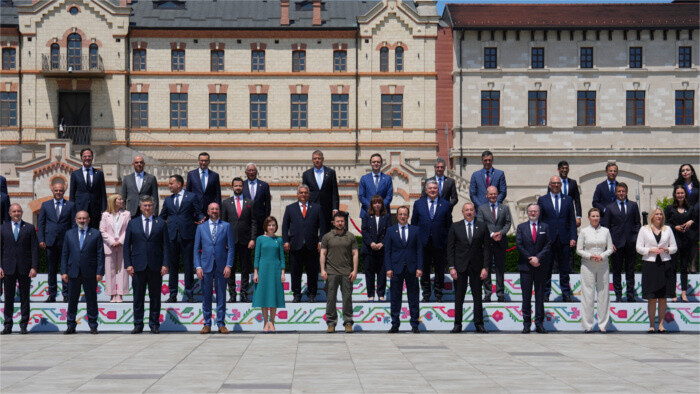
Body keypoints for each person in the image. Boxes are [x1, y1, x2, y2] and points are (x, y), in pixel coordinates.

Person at [124, 196, 170, 334]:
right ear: (140, 207)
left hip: (155, 265)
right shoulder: (133, 223)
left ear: (153, 206)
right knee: (138, 297)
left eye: (150, 205)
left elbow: (166, 246)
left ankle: (154, 324)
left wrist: (165, 264)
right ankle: (138, 324)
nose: (147, 208)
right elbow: (127, 246)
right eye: (145, 205)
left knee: (155, 297)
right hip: (138, 266)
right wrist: (128, 264)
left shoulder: (161, 223)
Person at [159, 174, 203, 303]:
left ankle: (189, 294)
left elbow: (198, 212)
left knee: (188, 265)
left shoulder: (192, 197)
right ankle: (173, 294)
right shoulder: (168, 200)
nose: (169, 186)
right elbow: (163, 216)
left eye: (171, 183)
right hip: (172, 236)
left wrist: (202, 219)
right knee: (173, 266)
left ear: (179, 184)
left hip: (188, 236)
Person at [447, 202, 490, 333]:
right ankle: (457, 324)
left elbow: (487, 249)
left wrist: (485, 267)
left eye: (471, 210)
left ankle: (479, 324)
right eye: (467, 210)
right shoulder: (455, 227)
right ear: (463, 212)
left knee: (477, 297)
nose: (469, 212)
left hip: (477, 268)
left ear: (474, 211)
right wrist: (451, 267)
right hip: (460, 267)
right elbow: (450, 248)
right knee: (459, 297)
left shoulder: (482, 227)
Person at [61, 211, 104, 335]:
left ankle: (93, 325)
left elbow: (100, 254)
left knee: (91, 300)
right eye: (79, 218)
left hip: (90, 272)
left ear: (89, 219)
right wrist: (64, 271)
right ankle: (70, 325)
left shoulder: (96, 234)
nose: (82, 220)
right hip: (73, 272)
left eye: (84, 218)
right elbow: (65, 254)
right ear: (75, 219)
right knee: (72, 300)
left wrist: (99, 271)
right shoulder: (69, 234)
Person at [194, 203, 234, 334]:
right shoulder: (201, 227)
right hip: (205, 266)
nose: (215, 211)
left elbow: (231, 249)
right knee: (206, 296)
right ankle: (206, 323)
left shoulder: (226, 226)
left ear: (219, 211)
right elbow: (196, 249)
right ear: (208, 211)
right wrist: (198, 266)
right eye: (212, 209)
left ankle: (221, 323)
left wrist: (229, 265)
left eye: (216, 209)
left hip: (222, 266)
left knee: (221, 295)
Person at [636, 207, 678, 333]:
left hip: (665, 264)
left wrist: (667, 250)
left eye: (660, 214)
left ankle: (661, 325)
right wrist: (651, 250)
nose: (659, 216)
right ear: (652, 216)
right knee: (652, 297)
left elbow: (674, 247)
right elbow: (638, 247)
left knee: (663, 297)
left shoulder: (668, 229)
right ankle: (651, 325)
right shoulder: (644, 229)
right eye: (656, 214)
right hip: (650, 264)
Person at [538, 176, 577, 302]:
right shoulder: (543, 200)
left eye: (558, 183)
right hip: (548, 240)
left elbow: (571, 219)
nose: (556, 185)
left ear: (561, 185)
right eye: (553, 183)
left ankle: (566, 293)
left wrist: (573, 237)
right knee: (546, 269)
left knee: (564, 269)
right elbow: (539, 221)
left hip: (564, 239)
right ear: (549, 185)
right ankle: (545, 294)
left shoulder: (568, 199)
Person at [412, 180, 452, 302]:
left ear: (438, 190)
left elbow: (449, 225)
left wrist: (448, 241)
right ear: (426, 190)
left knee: (440, 269)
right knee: (424, 269)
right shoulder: (418, 204)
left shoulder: (445, 204)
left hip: (440, 242)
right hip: (423, 242)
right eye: (430, 188)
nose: (433, 190)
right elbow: (414, 223)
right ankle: (426, 294)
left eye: (435, 188)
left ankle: (439, 294)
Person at [1, 204, 38, 335]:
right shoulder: (2, 228)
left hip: (25, 268)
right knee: (8, 298)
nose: (16, 213)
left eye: (19, 211)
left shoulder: (29, 228)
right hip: (8, 268)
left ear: (22, 213)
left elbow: (34, 249)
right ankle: (8, 325)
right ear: (10, 213)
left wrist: (34, 267)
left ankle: (23, 325)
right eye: (14, 211)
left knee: (24, 298)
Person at [385, 206, 423, 333]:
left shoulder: (415, 230)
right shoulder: (391, 231)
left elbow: (419, 250)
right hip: (396, 269)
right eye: (400, 214)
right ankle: (395, 324)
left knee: (413, 297)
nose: (402, 216)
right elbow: (387, 251)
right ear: (397, 216)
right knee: (395, 297)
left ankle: (414, 324)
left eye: (405, 214)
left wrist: (419, 267)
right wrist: (388, 268)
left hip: (412, 268)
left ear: (408, 216)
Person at [602, 182, 641, 303]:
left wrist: (635, 239)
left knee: (630, 271)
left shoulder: (633, 205)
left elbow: (637, 224)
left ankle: (630, 294)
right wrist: (609, 243)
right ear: (615, 192)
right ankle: (618, 295)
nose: (621, 193)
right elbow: (606, 227)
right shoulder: (610, 207)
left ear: (626, 192)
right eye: (619, 191)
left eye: (623, 191)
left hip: (630, 243)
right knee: (617, 271)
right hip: (616, 244)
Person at [38, 179, 76, 302]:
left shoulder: (70, 205)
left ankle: (66, 294)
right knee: (51, 270)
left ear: (64, 191)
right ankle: (52, 294)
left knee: (65, 269)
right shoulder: (45, 205)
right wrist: (41, 239)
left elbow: (73, 224)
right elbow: (41, 223)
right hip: (50, 242)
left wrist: (73, 240)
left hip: (66, 242)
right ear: (52, 191)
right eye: (56, 190)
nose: (58, 192)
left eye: (60, 190)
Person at [516, 204, 551, 334]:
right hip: (526, 267)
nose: (533, 213)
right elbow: (519, 245)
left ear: (539, 212)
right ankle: (526, 324)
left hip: (541, 267)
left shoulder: (545, 227)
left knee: (540, 297)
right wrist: (530, 258)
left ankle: (539, 324)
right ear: (527, 212)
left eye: (535, 211)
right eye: (530, 211)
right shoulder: (521, 227)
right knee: (526, 297)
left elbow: (548, 244)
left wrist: (538, 258)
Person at [576, 208, 613, 333]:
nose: (595, 218)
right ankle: (588, 325)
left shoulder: (606, 231)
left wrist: (602, 256)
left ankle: (603, 325)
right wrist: (589, 256)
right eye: (593, 216)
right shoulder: (584, 231)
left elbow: (610, 248)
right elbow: (579, 249)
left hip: (602, 264)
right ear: (589, 217)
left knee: (603, 294)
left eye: (597, 216)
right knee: (588, 294)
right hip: (588, 265)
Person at [282, 184, 321, 302]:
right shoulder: (290, 208)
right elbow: (285, 227)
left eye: (305, 193)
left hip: (312, 245)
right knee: (295, 272)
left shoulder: (317, 208)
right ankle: (297, 294)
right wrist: (285, 241)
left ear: (309, 194)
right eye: (301, 193)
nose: (303, 195)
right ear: (297, 194)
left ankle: (312, 294)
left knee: (312, 272)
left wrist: (321, 241)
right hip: (295, 245)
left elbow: (322, 226)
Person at [320, 212, 359, 333]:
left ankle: (348, 322)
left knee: (347, 298)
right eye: (338, 221)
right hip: (331, 272)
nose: (340, 223)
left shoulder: (351, 237)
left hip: (346, 273)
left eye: (342, 221)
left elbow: (355, 254)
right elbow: (323, 253)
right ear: (333, 222)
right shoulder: (327, 237)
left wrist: (355, 270)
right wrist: (322, 269)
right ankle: (331, 323)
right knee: (330, 298)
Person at [221, 177, 258, 303]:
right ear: (232, 187)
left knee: (245, 269)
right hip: (230, 242)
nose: (238, 188)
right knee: (229, 268)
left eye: (240, 186)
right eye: (235, 185)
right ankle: (232, 294)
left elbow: (254, 222)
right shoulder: (226, 203)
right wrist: (224, 240)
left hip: (245, 241)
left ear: (243, 187)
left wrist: (253, 239)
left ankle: (244, 294)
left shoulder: (250, 202)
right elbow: (223, 223)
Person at [477, 186, 512, 302]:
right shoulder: (481, 209)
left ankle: (500, 294)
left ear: (498, 195)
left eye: (495, 194)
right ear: (486, 195)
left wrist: (500, 233)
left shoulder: (505, 208)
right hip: (486, 243)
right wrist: (492, 234)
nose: (493, 196)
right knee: (486, 268)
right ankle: (487, 294)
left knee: (499, 269)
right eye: (490, 194)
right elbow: (481, 224)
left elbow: (508, 223)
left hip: (500, 242)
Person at [252, 217, 286, 333]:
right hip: (263, 270)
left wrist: (282, 273)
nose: (272, 227)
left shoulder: (279, 240)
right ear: (266, 226)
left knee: (273, 296)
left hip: (275, 270)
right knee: (264, 296)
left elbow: (282, 257)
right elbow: (257, 256)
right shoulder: (260, 239)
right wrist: (256, 272)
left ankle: (273, 322)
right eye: (269, 225)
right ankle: (265, 322)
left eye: (273, 225)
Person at [665, 185, 696, 302]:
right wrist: (675, 227)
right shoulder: (669, 208)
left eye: (682, 193)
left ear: (685, 194)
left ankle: (683, 293)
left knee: (684, 268)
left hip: (686, 242)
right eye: (678, 193)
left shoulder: (691, 209)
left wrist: (691, 221)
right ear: (675, 194)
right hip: (673, 242)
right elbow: (665, 223)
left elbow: (696, 223)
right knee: (672, 268)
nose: (680, 195)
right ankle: (672, 293)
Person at [99, 194, 131, 303]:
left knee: (123, 270)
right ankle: (112, 294)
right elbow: (102, 230)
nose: (122, 201)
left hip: (122, 244)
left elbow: (128, 229)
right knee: (110, 270)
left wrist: (120, 241)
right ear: (113, 201)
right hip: (109, 245)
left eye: (122, 199)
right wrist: (112, 241)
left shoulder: (126, 214)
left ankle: (121, 294)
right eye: (120, 199)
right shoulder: (105, 215)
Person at [302, 150, 339, 236]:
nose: (317, 160)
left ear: (323, 159)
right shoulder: (306, 174)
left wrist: (335, 208)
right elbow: (304, 193)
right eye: (315, 158)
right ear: (312, 160)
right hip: (312, 207)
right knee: (311, 231)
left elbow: (334, 192)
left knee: (326, 232)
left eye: (319, 158)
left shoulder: (330, 173)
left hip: (326, 207)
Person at [361, 195, 391, 302]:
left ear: (382, 204)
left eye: (379, 202)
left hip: (382, 250)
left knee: (382, 273)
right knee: (370, 273)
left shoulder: (387, 216)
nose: (377, 205)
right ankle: (370, 295)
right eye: (375, 203)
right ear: (372, 205)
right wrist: (371, 243)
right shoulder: (366, 216)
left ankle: (381, 294)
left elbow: (389, 232)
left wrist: (382, 243)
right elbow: (364, 231)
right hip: (369, 250)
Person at [69, 148, 107, 228]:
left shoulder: (99, 174)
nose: (87, 158)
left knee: (94, 232)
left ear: (92, 157)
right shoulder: (75, 174)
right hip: (80, 209)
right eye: (85, 156)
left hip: (95, 210)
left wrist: (103, 211)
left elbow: (103, 194)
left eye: (89, 156)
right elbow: (72, 194)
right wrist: (72, 211)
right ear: (81, 158)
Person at [673, 163, 699, 273]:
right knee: (683, 243)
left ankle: (693, 266)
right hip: (682, 217)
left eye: (688, 170)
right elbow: (677, 201)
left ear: (692, 172)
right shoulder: (678, 186)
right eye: (683, 170)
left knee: (693, 242)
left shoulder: (698, 187)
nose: (685, 172)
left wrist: (692, 216)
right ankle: (684, 266)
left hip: (695, 218)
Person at [186, 152, 222, 218]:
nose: (203, 163)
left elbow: (218, 195)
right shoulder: (191, 174)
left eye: (206, 161)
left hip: (210, 211)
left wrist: (218, 211)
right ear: (198, 161)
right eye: (202, 160)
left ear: (209, 161)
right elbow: (188, 192)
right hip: (195, 210)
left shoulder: (214, 175)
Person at [358, 153, 393, 218]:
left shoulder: (387, 179)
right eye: (374, 162)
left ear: (381, 163)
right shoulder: (364, 179)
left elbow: (389, 196)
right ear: (370, 163)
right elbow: (361, 196)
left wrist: (380, 207)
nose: (376, 164)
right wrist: (371, 207)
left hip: (383, 213)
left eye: (378, 162)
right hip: (367, 212)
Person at [243, 163, 272, 238]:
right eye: (249, 170)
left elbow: (267, 205)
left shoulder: (264, 185)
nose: (251, 172)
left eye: (253, 170)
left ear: (256, 172)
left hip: (260, 221)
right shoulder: (242, 185)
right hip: (245, 221)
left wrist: (266, 221)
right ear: (246, 172)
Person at [552, 161, 582, 227]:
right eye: (562, 168)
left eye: (566, 168)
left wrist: (578, 216)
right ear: (558, 170)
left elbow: (577, 200)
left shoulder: (573, 183)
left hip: (570, 213)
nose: (565, 170)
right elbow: (549, 199)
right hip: (557, 213)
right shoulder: (554, 183)